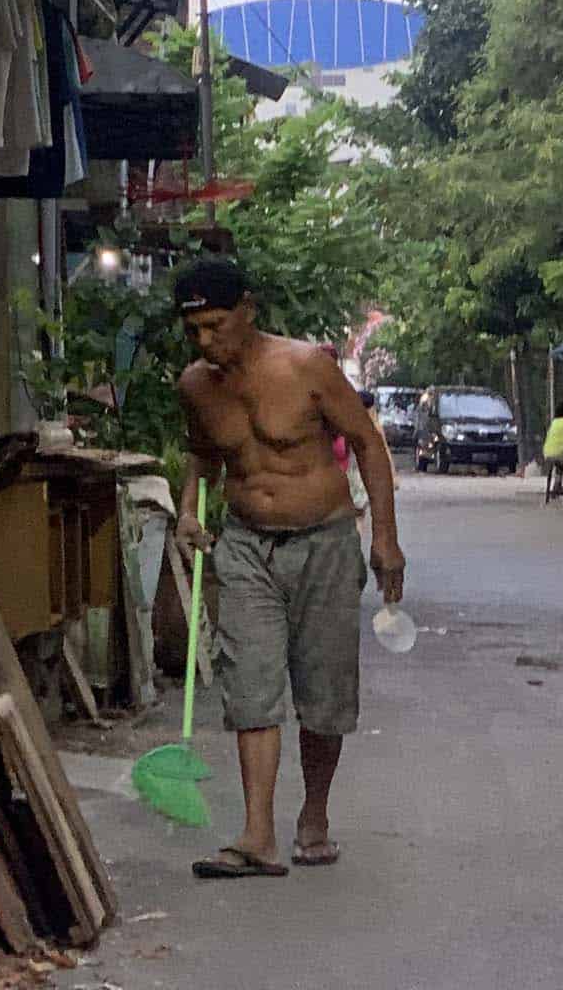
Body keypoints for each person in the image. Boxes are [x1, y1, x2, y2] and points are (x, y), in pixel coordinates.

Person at [171, 258, 404, 879]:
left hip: (324, 542)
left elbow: (367, 443)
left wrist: (385, 537)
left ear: (246, 309)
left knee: (324, 694)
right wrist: (188, 509)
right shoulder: (195, 385)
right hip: (245, 546)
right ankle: (256, 835)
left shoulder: (306, 367)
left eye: (216, 325)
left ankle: (315, 817)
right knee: (250, 682)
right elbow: (202, 453)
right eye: (193, 330)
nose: (205, 341)